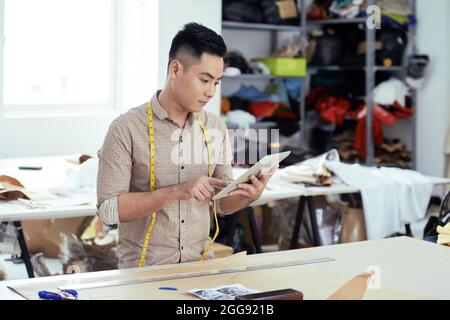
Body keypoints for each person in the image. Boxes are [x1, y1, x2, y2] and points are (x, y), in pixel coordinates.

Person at [97, 23, 275, 269]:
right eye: (204, 80)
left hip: (200, 269)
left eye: (216, 82)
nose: (211, 92)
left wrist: (249, 195)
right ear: (175, 69)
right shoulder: (126, 128)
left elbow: (221, 204)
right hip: (142, 272)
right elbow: (108, 210)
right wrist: (178, 191)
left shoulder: (215, 127)